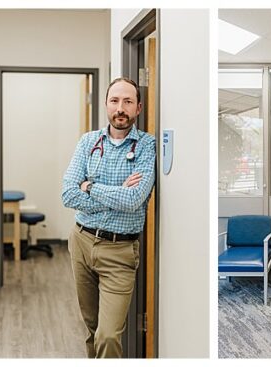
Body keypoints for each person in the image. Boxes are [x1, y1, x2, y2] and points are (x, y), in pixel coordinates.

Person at [60, 77, 156, 358]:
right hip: (81, 242)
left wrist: (89, 186)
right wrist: (115, 194)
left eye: (127, 101)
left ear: (138, 108)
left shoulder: (146, 146)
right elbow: (67, 194)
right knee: (91, 329)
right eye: (115, 101)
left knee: (108, 334)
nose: (120, 108)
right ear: (106, 105)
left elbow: (133, 200)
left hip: (120, 252)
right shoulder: (88, 142)